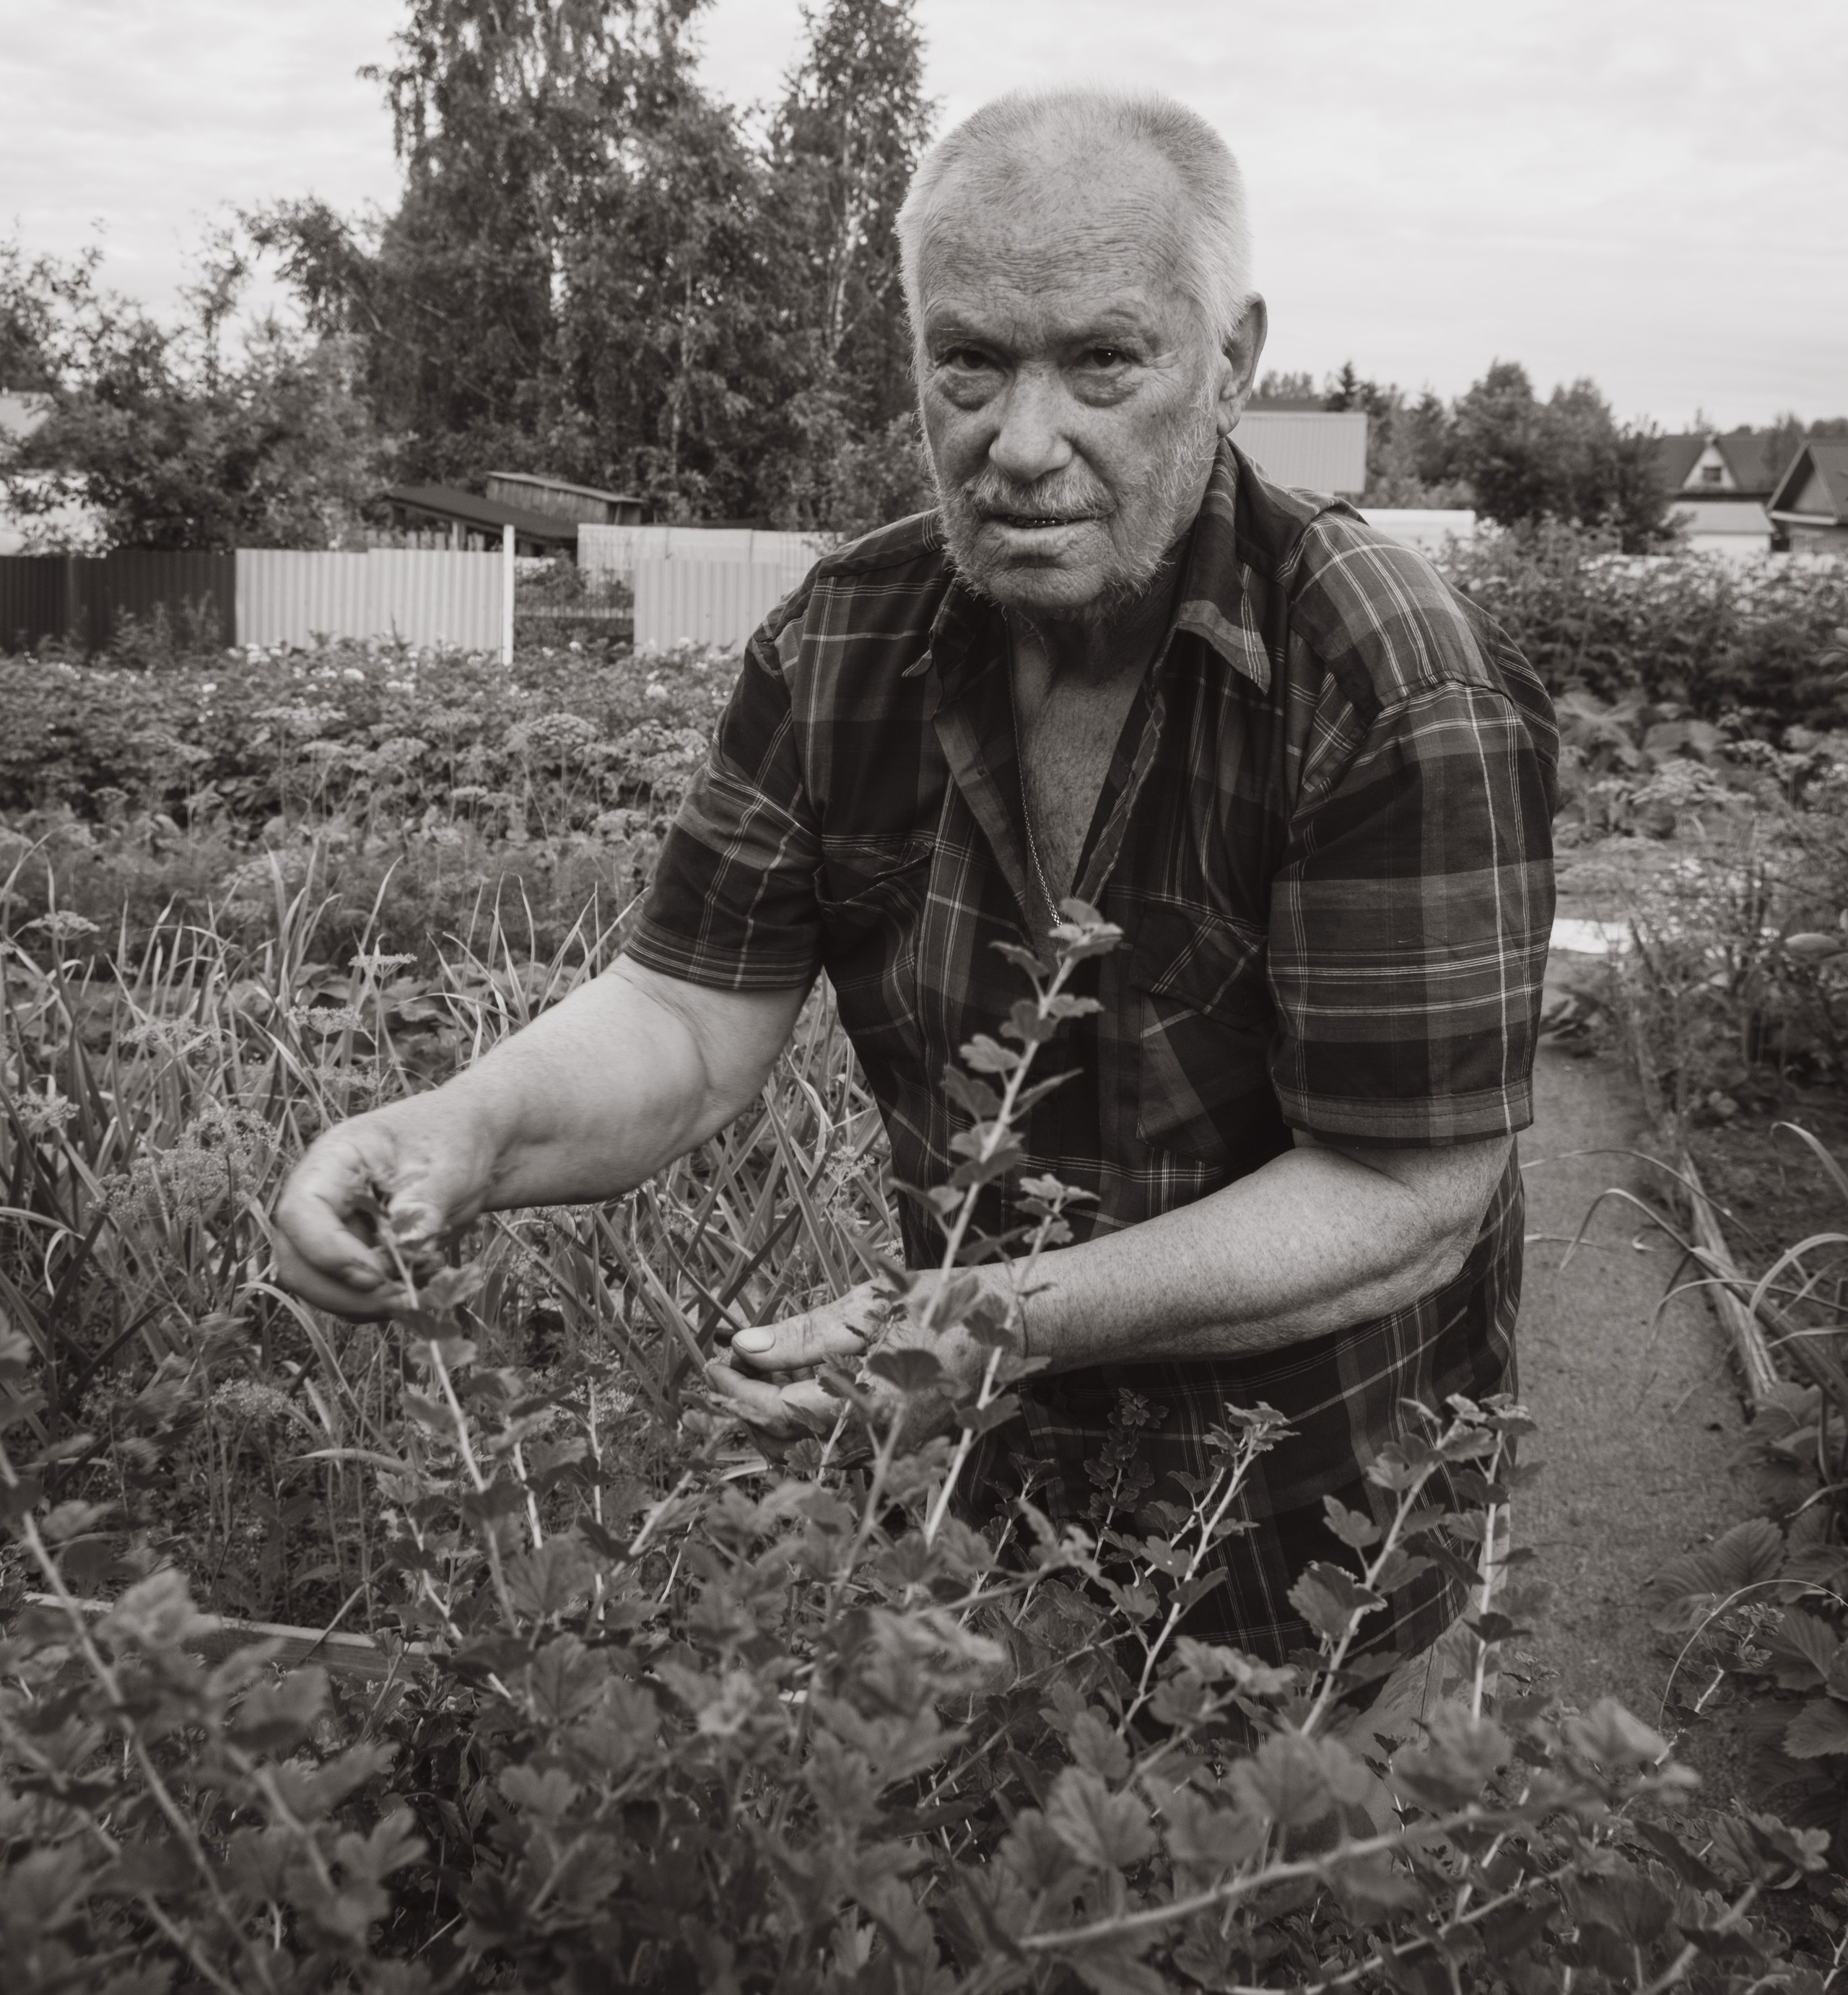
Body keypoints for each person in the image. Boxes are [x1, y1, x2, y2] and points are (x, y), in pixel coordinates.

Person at [273, 87, 1556, 1682]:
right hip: (966, 1513)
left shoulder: (1386, 677)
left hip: (1307, 1550)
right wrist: (455, 1133)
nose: (1019, 443)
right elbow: (684, 1017)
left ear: (1231, 361)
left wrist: (990, 1320)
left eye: (1102, 361)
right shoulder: (848, 636)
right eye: (970, 362)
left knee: (1290, 1841)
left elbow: (1405, 1194)